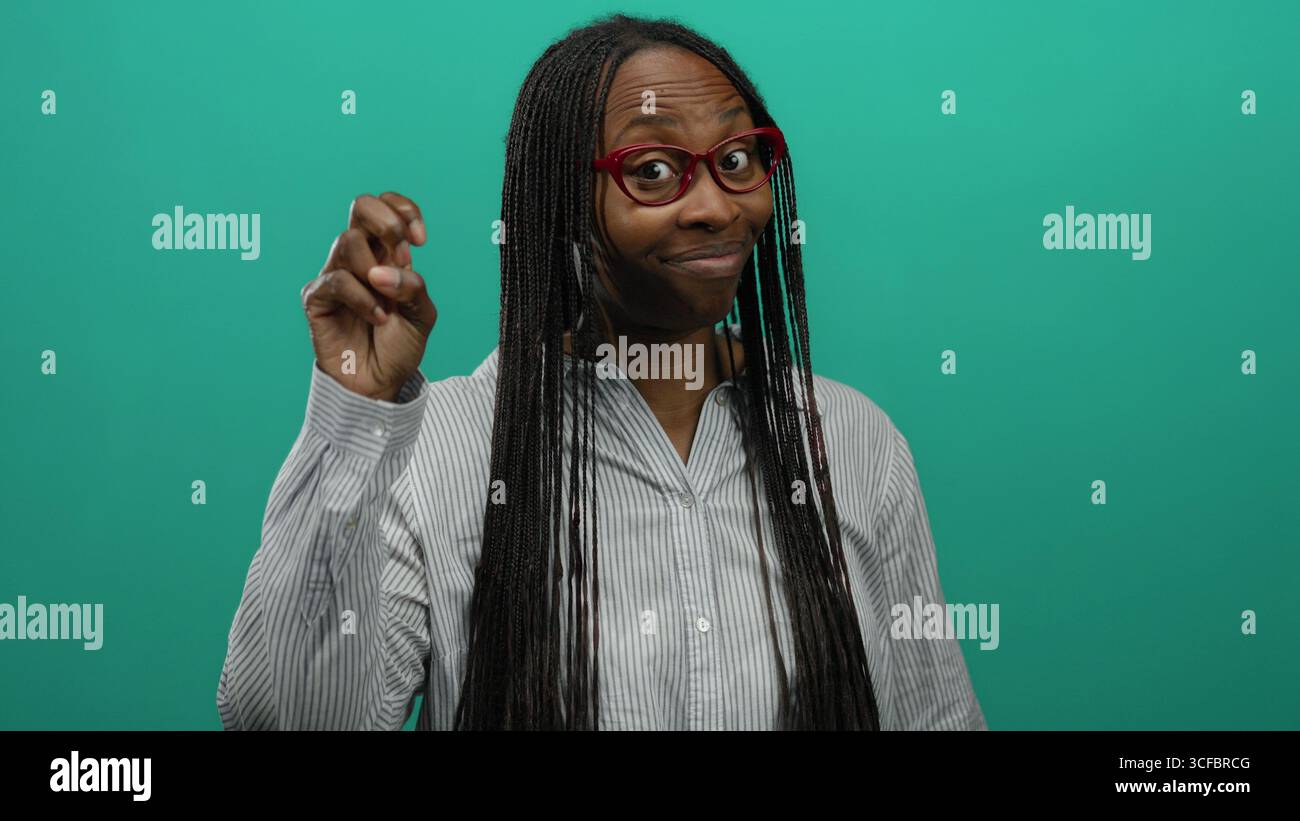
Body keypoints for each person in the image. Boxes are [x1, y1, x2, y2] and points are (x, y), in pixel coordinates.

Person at [217, 13, 986, 731]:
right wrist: (354, 417)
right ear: (563, 208)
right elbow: (286, 720)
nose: (714, 205)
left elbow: (937, 717)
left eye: (738, 158)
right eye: (652, 169)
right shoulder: (440, 453)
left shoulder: (852, 441)